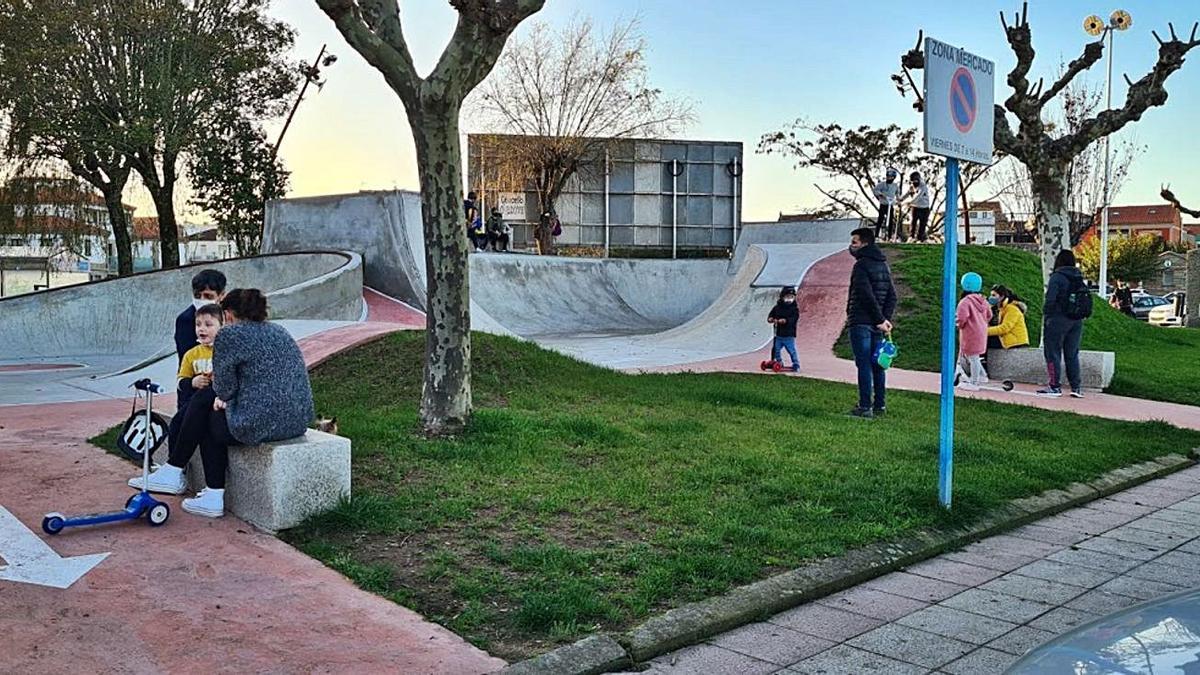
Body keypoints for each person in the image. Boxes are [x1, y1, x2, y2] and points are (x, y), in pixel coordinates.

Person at [130, 289, 314, 518]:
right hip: (297, 421)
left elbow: (223, 389)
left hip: (262, 424)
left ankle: (185, 477)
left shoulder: (230, 335)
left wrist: (221, 397)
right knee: (210, 404)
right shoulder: (278, 330)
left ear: (227, 315)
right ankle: (186, 479)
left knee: (206, 406)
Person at [846, 227, 897, 418]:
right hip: (877, 324)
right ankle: (880, 405)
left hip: (860, 320)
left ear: (864, 243)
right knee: (878, 364)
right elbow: (892, 296)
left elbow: (864, 294)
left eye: (854, 242)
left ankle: (864, 405)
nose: (851, 246)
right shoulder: (883, 265)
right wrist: (884, 319)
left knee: (864, 364)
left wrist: (878, 320)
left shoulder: (861, 265)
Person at [166, 304, 224, 457]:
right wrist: (192, 382)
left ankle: (214, 481)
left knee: (211, 435)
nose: (201, 329)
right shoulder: (191, 354)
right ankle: (175, 466)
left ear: (222, 326)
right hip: (194, 405)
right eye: (198, 325)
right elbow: (181, 381)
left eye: (208, 325)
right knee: (177, 423)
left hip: (217, 406)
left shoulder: (226, 350)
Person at [1039, 249, 1089, 399]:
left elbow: (1050, 300)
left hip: (1057, 319)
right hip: (1076, 320)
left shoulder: (1057, 277)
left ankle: (1054, 386)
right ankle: (1076, 387)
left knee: (1053, 352)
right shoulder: (1078, 277)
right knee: (1072, 354)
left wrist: (1047, 316)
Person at [176, 269, 226, 364]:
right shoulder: (185, 320)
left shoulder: (229, 316)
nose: (202, 300)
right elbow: (185, 358)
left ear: (221, 295)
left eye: (208, 296)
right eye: (197, 296)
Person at [955, 272, 992, 390]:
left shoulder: (965, 302)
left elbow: (961, 318)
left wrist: (959, 325)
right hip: (982, 332)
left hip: (970, 333)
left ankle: (974, 383)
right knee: (975, 356)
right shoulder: (984, 301)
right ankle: (982, 375)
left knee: (973, 358)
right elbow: (989, 315)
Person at [767, 286, 800, 372]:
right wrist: (770, 318)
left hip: (789, 335)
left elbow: (794, 319)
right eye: (787, 297)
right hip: (779, 334)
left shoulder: (794, 309)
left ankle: (796, 363)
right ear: (782, 297)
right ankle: (779, 362)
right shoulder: (777, 307)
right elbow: (772, 314)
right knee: (776, 349)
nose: (789, 299)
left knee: (791, 350)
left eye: (792, 297)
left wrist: (785, 321)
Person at [986, 285, 1029, 350]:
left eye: (994, 295)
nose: (990, 297)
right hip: (1008, 342)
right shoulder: (1000, 309)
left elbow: (1004, 328)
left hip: (1017, 344)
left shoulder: (1012, 309)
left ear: (1002, 296)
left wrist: (984, 331)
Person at [900, 171, 931, 242]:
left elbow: (918, 196)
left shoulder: (923, 186)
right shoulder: (912, 186)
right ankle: (911, 237)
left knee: (922, 224)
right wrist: (900, 199)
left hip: (924, 208)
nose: (914, 182)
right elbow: (907, 194)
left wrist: (908, 202)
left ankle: (920, 238)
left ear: (919, 179)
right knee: (913, 222)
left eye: (916, 180)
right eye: (913, 181)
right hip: (915, 207)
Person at [872, 168, 900, 242]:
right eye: (888, 176)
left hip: (890, 205)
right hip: (883, 204)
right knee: (880, 220)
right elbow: (875, 190)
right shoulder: (882, 184)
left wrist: (898, 200)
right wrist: (881, 195)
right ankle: (876, 236)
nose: (889, 178)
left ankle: (890, 237)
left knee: (890, 220)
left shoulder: (895, 186)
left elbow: (897, 193)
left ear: (893, 178)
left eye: (891, 177)